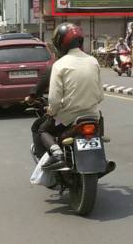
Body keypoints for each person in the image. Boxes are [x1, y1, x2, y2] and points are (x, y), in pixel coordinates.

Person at [37, 23, 104, 170]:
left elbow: (54, 100)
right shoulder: (93, 61)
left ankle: (57, 154)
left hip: (68, 118)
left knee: (42, 130)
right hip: (92, 116)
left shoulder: (60, 65)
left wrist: (51, 111)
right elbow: (100, 96)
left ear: (60, 44)